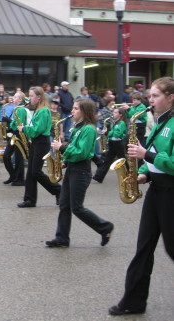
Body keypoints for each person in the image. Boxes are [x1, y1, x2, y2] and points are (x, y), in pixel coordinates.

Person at [109, 77, 174, 316]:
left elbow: (167, 160)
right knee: (143, 248)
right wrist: (144, 174)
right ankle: (133, 301)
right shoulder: (159, 120)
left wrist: (145, 156)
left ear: (170, 97)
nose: (150, 100)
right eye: (150, 96)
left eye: (156, 96)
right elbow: (157, 153)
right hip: (157, 191)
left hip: (171, 193)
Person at [46, 98, 114, 248]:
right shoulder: (78, 128)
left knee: (77, 207)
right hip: (73, 169)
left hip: (81, 171)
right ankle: (62, 238)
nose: (72, 111)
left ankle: (105, 227)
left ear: (84, 111)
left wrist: (61, 148)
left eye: (76, 109)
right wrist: (66, 161)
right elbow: (76, 150)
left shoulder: (88, 129)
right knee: (64, 205)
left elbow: (82, 153)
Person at [17, 86, 61, 208]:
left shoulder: (43, 111)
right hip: (37, 142)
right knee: (31, 172)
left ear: (39, 97)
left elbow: (38, 130)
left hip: (42, 142)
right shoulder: (38, 109)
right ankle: (30, 200)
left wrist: (24, 128)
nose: (29, 98)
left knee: (35, 172)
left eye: (31, 96)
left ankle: (58, 190)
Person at [92, 108, 127, 183]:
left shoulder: (121, 123)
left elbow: (117, 134)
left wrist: (107, 133)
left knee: (122, 159)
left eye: (115, 112)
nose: (113, 114)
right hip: (112, 143)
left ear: (120, 114)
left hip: (118, 143)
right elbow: (113, 133)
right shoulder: (115, 122)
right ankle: (98, 177)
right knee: (107, 160)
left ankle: (130, 175)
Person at [1, 91, 27, 186]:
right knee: (7, 156)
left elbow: (18, 124)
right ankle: (13, 176)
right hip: (14, 134)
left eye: (15, 97)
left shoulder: (20, 109)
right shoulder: (16, 108)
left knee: (18, 157)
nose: (13, 98)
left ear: (20, 99)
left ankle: (19, 179)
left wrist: (8, 120)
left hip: (19, 134)